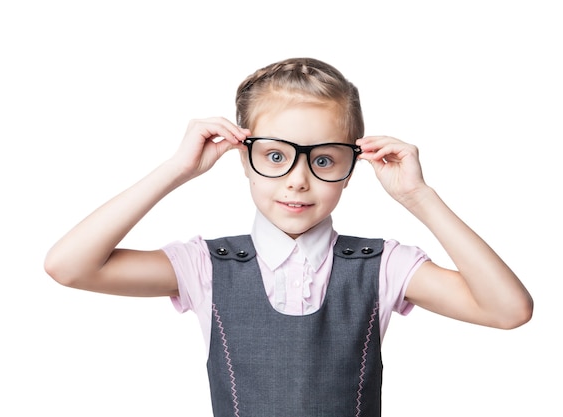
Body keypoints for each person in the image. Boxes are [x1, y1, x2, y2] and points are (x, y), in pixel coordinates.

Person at [44, 57, 533, 416]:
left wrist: (419, 197)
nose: (298, 180)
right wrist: (177, 170)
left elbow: (508, 310)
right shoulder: (206, 265)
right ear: (244, 157)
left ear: (351, 165)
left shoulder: (382, 265)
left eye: (323, 159)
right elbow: (69, 266)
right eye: (275, 156)